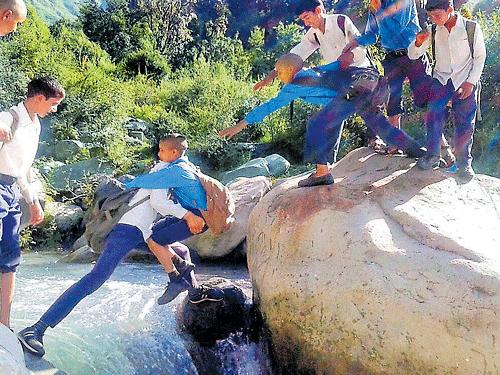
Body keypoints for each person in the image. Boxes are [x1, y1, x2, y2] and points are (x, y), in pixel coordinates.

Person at [18, 134, 221, 357]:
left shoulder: (177, 166)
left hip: (142, 231)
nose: (158, 154)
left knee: (181, 250)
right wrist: (186, 215)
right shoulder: (163, 170)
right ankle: (36, 330)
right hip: (128, 229)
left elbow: (182, 167)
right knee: (95, 278)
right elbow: (158, 202)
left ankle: (192, 293)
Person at [219, 53, 425, 187]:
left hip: (351, 96)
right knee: (382, 129)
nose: (278, 76)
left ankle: (322, 173)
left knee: (316, 124)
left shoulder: (293, 85)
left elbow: (269, 106)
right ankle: (420, 152)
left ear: (290, 71)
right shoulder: (318, 69)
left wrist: (240, 125)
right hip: (368, 90)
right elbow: (338, 64)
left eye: (279, 72)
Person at [0, 77, 65, 329]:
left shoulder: (35, 126)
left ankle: (4, 325)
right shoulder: (10, 117)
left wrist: (33, 202)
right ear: (39, 99)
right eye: (53, 104)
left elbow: (24, 171)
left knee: (10, 259)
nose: (54, 109)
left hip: (13, 192)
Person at [340, 0, 438, 153]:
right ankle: (395, 144)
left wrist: (379, 10)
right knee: (392, 102)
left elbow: (398, 28)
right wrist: (355, 42)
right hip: (392, 58)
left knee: (424, 100)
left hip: (413, 54)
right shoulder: (376, 4)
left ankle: (437, 147)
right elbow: (373, 35)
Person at [408, 0, 486, 180]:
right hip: (441, 80)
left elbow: (480, 57)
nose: (434, 20)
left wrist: (471, 82)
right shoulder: (433, 30)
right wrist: (418, 43)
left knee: (465, 123)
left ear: (450, 10)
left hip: (464, 80)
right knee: (433, 115)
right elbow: (413, 54)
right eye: (431, 16)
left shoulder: (471, 28)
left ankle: (464, 164)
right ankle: (433, 156)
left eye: (437, 15)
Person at [253, 0, 371, 92]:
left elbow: (360, 44)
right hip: (339, 81)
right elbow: (296, 55)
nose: (306, 23)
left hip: (361, 74)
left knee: (371, 116)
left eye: (307, 17)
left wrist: (350, 55)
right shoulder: (314, 34)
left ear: (318, 10)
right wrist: (273, 74)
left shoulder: (340, 21)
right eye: (303, 20)